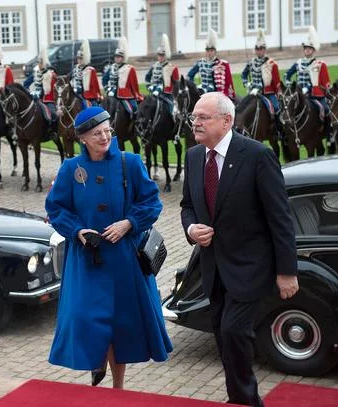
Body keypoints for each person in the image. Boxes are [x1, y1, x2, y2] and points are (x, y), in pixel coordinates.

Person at [180, 92, 299, 406]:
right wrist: (192, 229)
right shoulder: (193, 157)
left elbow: (281, 218)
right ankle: (243, 399)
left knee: (234, 333)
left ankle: (246, 401)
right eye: (194, 117)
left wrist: (287, 271)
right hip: (213, 269)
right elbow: (187, 207)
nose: (196, 123)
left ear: (226, 120)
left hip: (250, 267)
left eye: (203, 117)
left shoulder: (257, 156)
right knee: (223, 336)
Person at [45, 106, 172, 389]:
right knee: (85, 317)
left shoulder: (130, 162)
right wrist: (77, 230)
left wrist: (128, 223)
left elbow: (152, 202)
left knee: (120, 323)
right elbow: (55, 208)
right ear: (83, 139)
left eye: (106, 131)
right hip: (86, 259)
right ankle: (96, 359)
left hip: (124, 259)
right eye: (96, 134)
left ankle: (118, 387)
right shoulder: (70, 169)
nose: (104, 137)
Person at [285, 25, 332, 145]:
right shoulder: (298, 63)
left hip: (314, 95)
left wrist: (308, 88)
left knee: (325, 109)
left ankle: (329, 133)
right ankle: (285, 135)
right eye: (305, 48)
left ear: (313, 50)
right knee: (286, 109)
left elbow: (320, 81)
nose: (307, 50)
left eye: (309, 49)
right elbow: (287, 75)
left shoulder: (318, 64)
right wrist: (289, 84)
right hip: (299, 94)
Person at [241, 29, 282, 139]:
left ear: (265, 50)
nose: (259, 51)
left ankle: (279, 132)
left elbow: (271, 80)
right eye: (257, 49)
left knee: (277, 108)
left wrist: (259, 87)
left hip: (267, 93)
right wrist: (247, 84)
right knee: (241, 107)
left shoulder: (270, 63)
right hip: (253, 92)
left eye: (261, 49)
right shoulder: (251, 63)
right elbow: (243, 75)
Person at [102, 36, 143, 119]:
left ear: (123, 58)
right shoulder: (111, 67)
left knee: (134, 109)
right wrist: (107, 89)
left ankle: (136, 127)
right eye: (116, 56)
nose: (117, 58)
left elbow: (134, 85)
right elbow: (104, 79)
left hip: (125, 95)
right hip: (111, 94)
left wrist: (137, 95)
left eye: (119, 56)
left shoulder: (129, 69)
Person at [188, 29, 235, 99]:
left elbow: (228, 82)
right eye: (207, 50)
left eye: (211, 50)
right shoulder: (201, 62)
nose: (209, 53)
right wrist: (194, 87)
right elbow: (190, 75)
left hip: (214, 93)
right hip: (202, 91)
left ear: (215, 51)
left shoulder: (221, 64)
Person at [145, 33, 180, 119]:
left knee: (172, 112)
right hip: (154, 92)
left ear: (166, 56)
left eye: (162, 55)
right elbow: (147, 77)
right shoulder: (154, 66)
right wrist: (149, 86)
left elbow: (176, 85)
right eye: (159, 55)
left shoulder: (172, 68)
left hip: (167, 95)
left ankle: (176, 127)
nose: (160, 57)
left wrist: (171, 93)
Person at [30, 46, 58, 140]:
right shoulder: (36, 73)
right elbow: (28, 83)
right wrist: (30, 92)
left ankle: (53, 132)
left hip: (47, 100)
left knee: (53, 115)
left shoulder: (50, 74)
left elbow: (49, 89)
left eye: (41, 62)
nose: (39, 64)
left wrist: (40, 93)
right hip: (36, 99)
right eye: (38, 62)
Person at [69, 38, 101, 109]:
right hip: (75, 93)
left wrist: (97, 96)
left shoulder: (90, 70)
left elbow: (95, 86)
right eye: (78, 58)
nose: (79, 60)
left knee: (90, 107)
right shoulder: (75, 68)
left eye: (81, 58)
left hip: (87, 95)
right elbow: (69, 78)